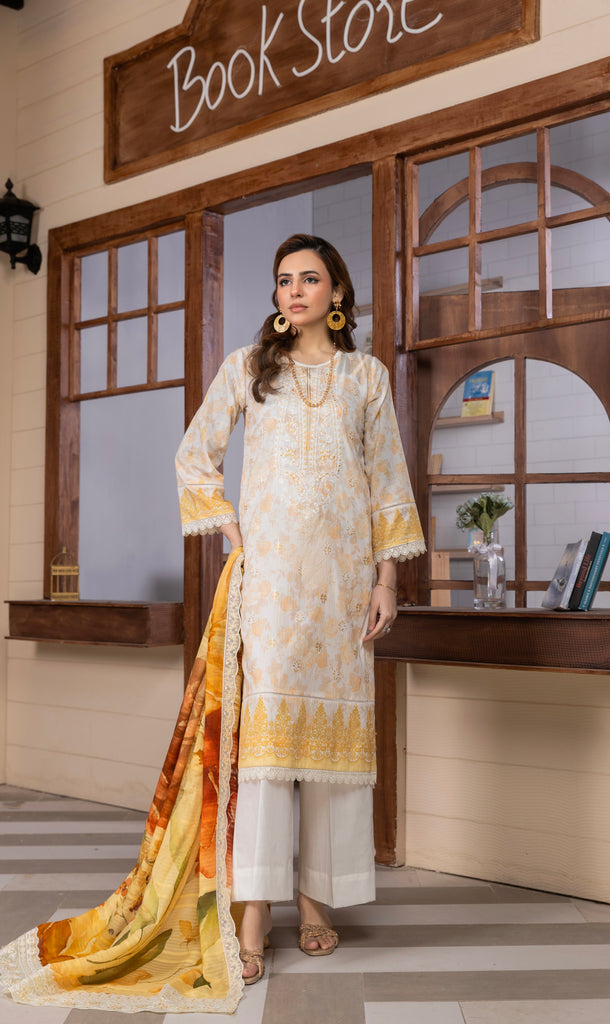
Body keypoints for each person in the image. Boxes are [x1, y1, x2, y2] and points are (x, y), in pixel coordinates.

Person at [175, 233, 426, 983]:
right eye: (284, 279)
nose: (294, 290)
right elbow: (195, 454)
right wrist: (231, 528)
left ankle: (318, 900)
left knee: (331, 756)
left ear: (336, 292)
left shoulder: (365, 376)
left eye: (309, 279)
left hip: (343, 588)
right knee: (266, 751)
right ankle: (254, 908)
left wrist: (385, 582)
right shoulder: (247, 369)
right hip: (274, 588)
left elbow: (387, 482)